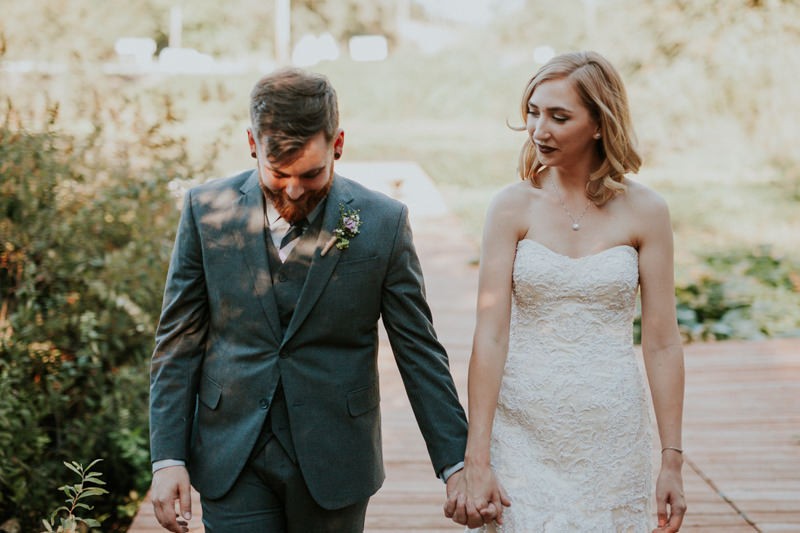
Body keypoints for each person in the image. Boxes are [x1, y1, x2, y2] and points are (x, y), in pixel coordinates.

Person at [148, 67, 471, 533]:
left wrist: (456, 463)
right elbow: (176, 343)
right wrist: (167, 458)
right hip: (231, 455)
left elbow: (418, 350)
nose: (294, 190)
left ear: (338, 143)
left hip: (336, 457)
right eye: (278, 174)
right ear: (252, 144)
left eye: (312, 173)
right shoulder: (205, 211)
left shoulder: (383, 222)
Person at [446, 51, 687, 532]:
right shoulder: (511, 207)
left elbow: (661, 342)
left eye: (559, 117)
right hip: (522, 429)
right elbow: (490, 336)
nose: (539, 129)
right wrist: (476, 459)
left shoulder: (647, 211)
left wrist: (672, 461)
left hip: (612, 434)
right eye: (533, 112)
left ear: (600, 124)